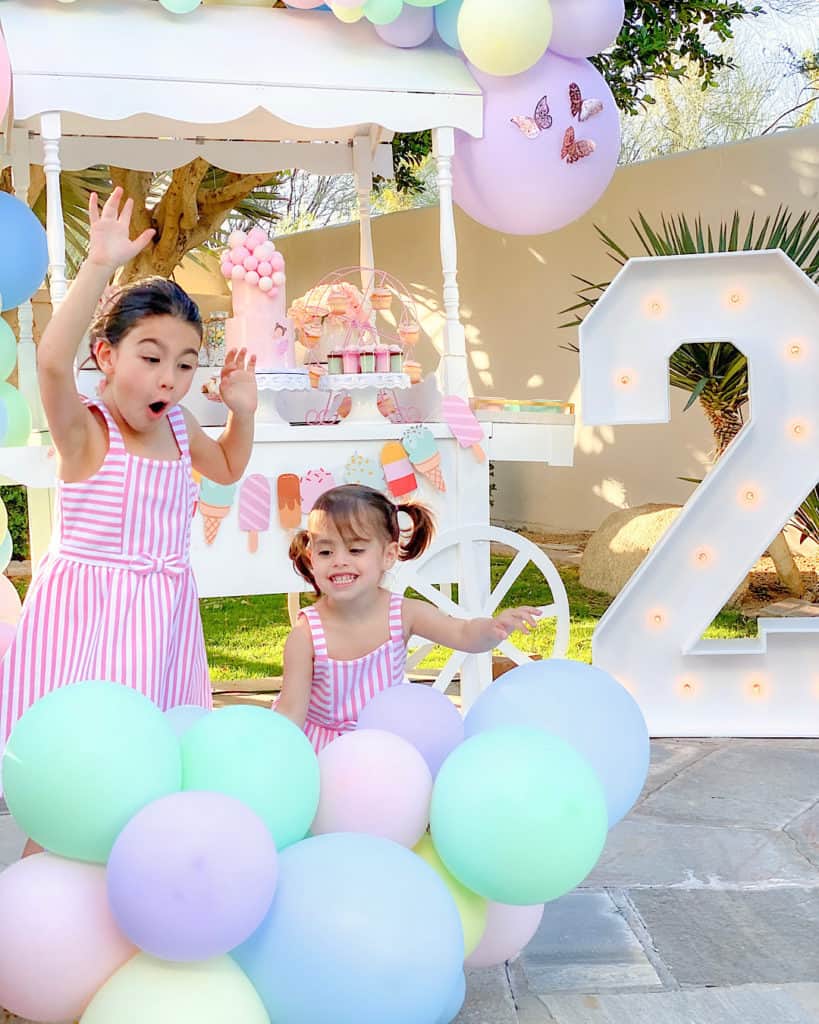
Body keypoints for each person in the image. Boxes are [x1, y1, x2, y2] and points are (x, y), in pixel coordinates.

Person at [0, 187, 258, 764]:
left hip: (161, 624)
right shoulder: (87, 432)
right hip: (88, 626)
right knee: (79, 768)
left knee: (150, 763)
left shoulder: (180, 428)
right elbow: (48, 360)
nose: (169, 378)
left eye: (186, 364)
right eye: (150, 356)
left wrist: (242, 414)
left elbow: (229, 465)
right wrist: (98, 263)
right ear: (107, 355)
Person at [276, 484, 541, 751]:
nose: (339, 561)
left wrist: (493, 628)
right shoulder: (306, 634)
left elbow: (462, 633)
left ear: (388, 555)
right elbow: (290, 714)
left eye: (355, 550)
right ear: (311, 558)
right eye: (326, 552)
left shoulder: (402, 613)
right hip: (327, 749)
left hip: (389, 744)